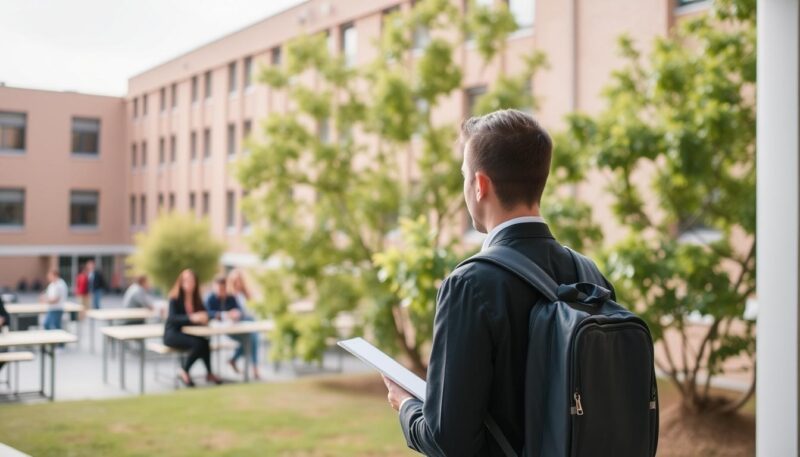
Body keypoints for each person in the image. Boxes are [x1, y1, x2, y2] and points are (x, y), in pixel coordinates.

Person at [383, 109, 615, 456]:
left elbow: (449, 441)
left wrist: (406, 406)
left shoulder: (469, 285)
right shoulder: (590, 276)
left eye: (464, 176)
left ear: (480, 185)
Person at [163, 269, 221, 387]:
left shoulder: (197, 299)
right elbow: (172, 318)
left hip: (189, 333)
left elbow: (206, 313)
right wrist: (192, 318)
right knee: (199, 344)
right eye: (187, 280)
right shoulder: (174, 298)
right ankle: (184, 370)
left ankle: (209, 373)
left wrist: (205, 317)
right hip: (173, 334)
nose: (190, 283)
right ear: (181, 282)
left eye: (192, 280)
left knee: (205, 342)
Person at [206, 275, 260, 380]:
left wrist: (236, 314)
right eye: (219, 289)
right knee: (251, 339)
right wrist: (223, 315)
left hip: (233, 328)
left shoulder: (230, 298)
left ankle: (242, 365)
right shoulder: (210, 298)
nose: (221, 292)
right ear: (214, 287)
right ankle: (250, 367)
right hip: (219, 330)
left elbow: (239, 310)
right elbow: (208, 313)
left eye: (223, 289)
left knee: (252, 338)